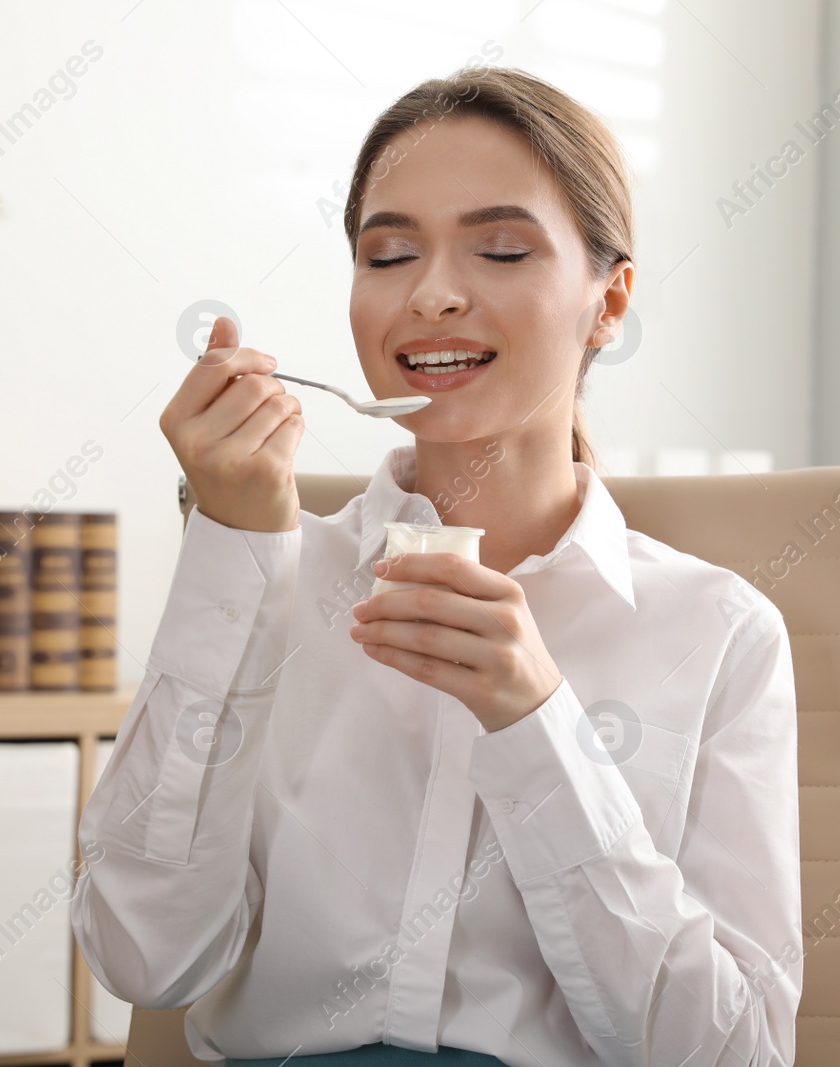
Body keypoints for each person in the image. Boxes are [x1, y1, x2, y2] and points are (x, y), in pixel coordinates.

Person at [71, 65, 802, 1066]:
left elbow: (737, 1052)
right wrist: (235, 553)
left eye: (501, 248)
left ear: (609, 301)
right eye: (389, 253)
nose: (432, 294)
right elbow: (140, 958)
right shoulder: (262, 578)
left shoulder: (718, 632)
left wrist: (537, 723)